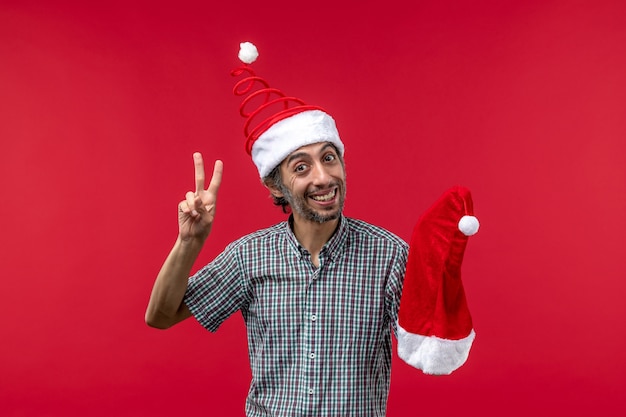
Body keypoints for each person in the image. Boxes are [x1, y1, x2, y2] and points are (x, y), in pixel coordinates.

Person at [145, 42, 477, 417]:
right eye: (301, 167)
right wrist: (189, 242)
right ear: (275, 186)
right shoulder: (248, 257)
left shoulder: (389, 256)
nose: (323, 177)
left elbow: (428, 343)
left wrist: (442, 267)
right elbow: (160, 315)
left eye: (329, 158)